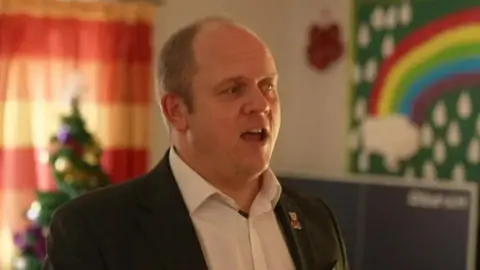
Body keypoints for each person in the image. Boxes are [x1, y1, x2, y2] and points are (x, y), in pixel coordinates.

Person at [43, 16, 349, 270]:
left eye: (267, 85)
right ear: (177, 112)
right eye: (233, 89)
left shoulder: (315, 219)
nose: (261, 103)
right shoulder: (94, 230)